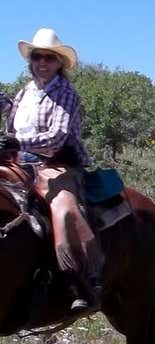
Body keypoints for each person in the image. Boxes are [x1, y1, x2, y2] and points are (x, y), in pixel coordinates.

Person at [0, 28, 99, 311]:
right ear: (30, 61)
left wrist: (17, 141)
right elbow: (9, 111)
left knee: (64, 208)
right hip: (19, 162)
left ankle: (78, 280)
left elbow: (57, 137)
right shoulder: (25, 92)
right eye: (37, 56)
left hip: (56, 163)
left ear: (59, 63)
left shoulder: (66, 93)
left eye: (49, 58)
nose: (42, 62)